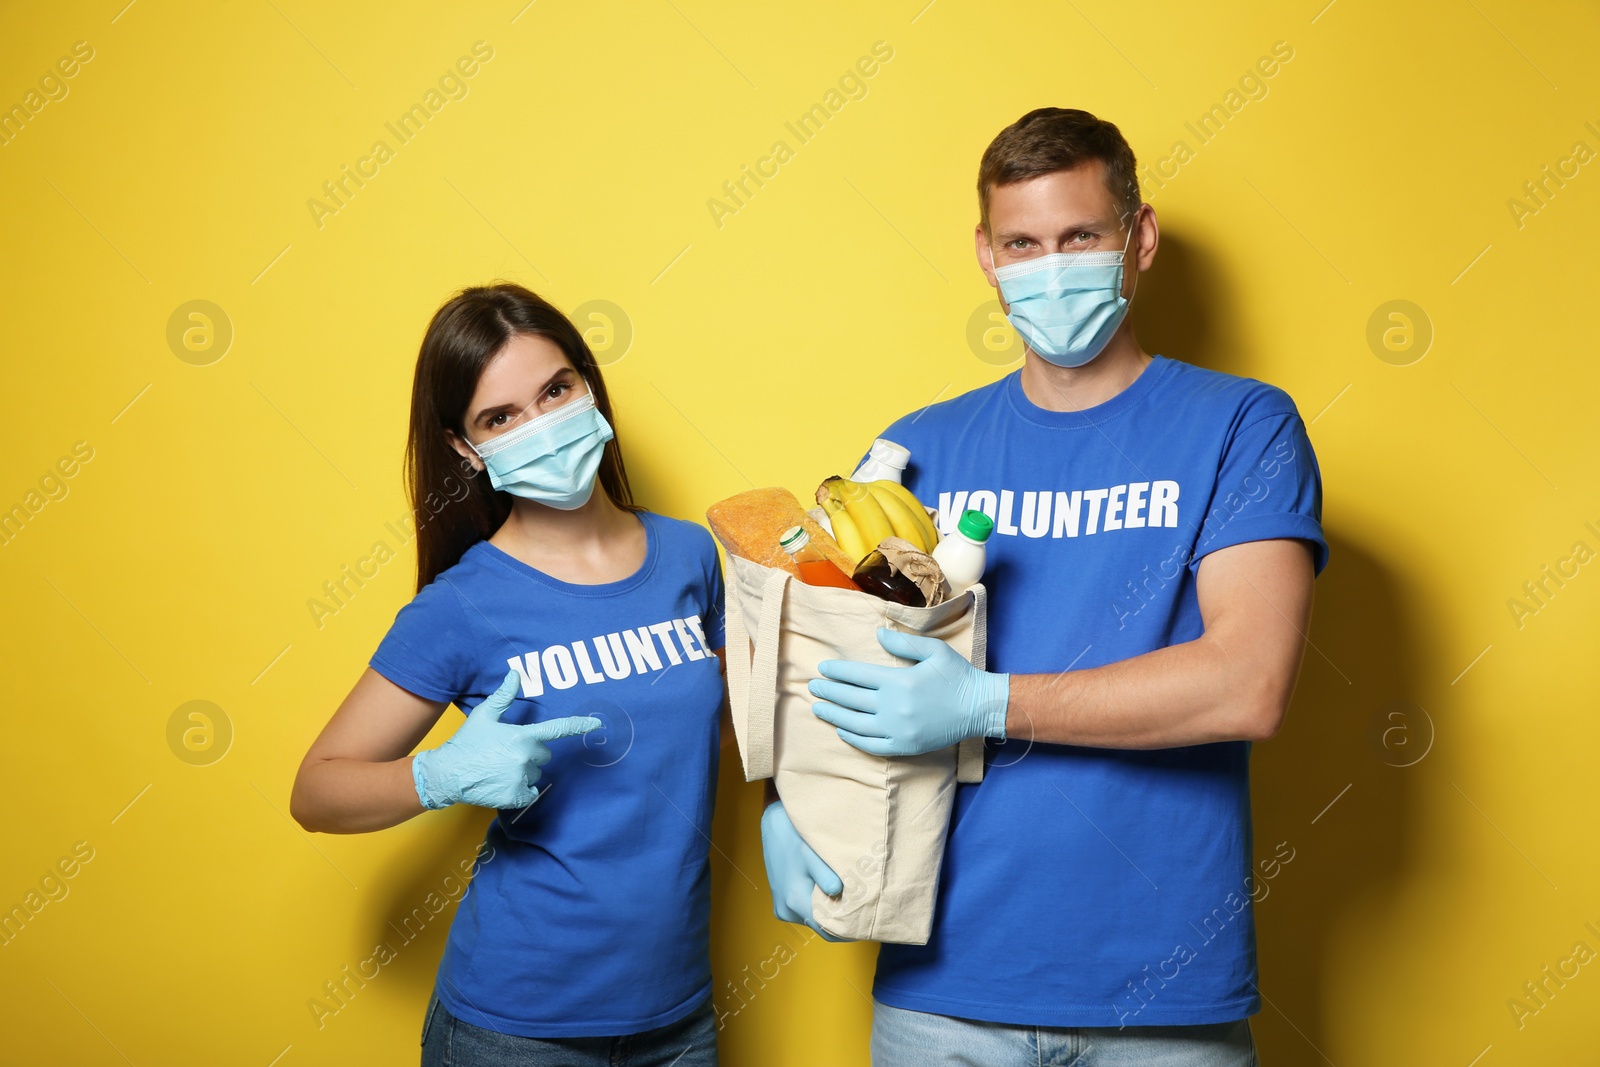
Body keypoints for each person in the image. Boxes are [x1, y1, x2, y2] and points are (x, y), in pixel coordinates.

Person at [761, 108, 1328, 1065]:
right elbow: (840, 657)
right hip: (941, 986)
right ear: (985, 255)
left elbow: (1247, 681)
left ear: (1137, 238)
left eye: (1079, 237)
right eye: (1022, 243)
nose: (1049, 265)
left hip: (1161, 999)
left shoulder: (1242, 426)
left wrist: (985, 703)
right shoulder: (917, 451)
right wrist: (794, 803)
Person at [290, 283, 727, 1066]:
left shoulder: (691, 555)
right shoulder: (464, 604)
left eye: (556, 389)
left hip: (679, 1017)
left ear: (589, 385)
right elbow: (316, 792)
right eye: (502, 416)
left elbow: (732, 722)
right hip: (516, 1028)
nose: (544, 425)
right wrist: (437, 776)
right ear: (466, 446)